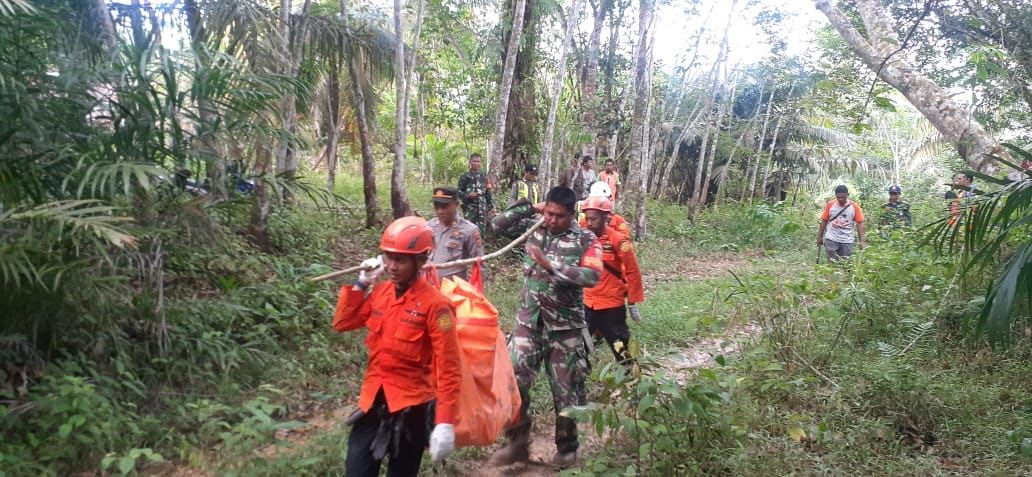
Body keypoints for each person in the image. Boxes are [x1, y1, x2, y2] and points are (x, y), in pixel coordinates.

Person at [332, 216, 461, 476]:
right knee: (356, 471)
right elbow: (343, 323)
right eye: (388, 257)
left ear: (421, 260)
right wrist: (362, 284)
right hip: (373, 401)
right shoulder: (380, 294)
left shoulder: (437, 306)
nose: (392, 266)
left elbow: (449, 369)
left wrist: (445, 422)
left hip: (411, 407)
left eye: (400, 259)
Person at [489, 186, 602, 468]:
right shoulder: (534, 229)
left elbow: (592, 275)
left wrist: (552, 266)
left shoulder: (585, 239)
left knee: (566, 394)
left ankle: (566, 449)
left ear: (572, 214)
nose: (552, 220)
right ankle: (517, 442)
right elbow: (495, 225)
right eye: (549, 213)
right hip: (528, 325)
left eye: (559, 216)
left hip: (565, 331)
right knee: (511, 383)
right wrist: (530, 207)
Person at [581, 196, 644, 365]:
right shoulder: (584, 238)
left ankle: (631, 382)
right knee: (579, 350)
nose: (589, 223)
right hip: (588, 304)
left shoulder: (618, 240)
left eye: (593, 219)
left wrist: (632, 301)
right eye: (587, 218)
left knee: (621, 350)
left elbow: (632, 271)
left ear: (605, 218)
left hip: (611, 307)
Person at [427, 186, 484, 282]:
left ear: (456, 204)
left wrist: (473, 292)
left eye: (445, 206)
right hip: (428, 289)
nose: (440, 211)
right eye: (437, 206)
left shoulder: (469, 230)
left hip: (453, 291)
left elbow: (479, 265)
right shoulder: (428, 226)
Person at [817, 185, 866, 261]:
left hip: (847, 240)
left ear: (848, 195)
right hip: (831, 239)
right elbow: (824, 221)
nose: (840, 199)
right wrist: (819, 237)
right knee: (832, 264)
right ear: (835, 195)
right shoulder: (830, 205)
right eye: (838, 197)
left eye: (843, 197)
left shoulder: (854, 206)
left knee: (846, 265)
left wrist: (862, 241)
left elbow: (860, 223)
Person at [458, 153, 495, 234]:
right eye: (474, 161)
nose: (477, 163)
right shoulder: (465, 177)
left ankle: (481, 245)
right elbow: (459, 192)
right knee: (468, 231)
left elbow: (488, 193)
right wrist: (468, 195)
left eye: (478, 161)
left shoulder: (484, 176)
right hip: (470, 209)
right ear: (470, 162)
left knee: (481, 232)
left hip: (482, 209)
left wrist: (491, 207)